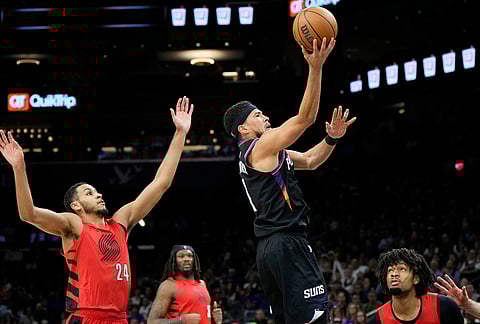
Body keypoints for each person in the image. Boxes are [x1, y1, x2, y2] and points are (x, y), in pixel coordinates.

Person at [0, 96, 194, 324]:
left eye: (97, 191)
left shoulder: (121, 222)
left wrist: (180, 133)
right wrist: (19, 167)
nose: (99, 194)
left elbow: (161, 183)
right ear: (76, 205)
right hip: (86, 316)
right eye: (89, 193)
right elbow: (28, 214)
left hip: (120, 318)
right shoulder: (74, 225)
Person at [222, 37, 356, 324]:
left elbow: (309, 160)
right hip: (287, 243)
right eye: (258, 115)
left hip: (270, 248)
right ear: (243, 128)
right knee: (315, 319)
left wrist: (332, 137)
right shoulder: (261, 147)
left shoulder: (262, 153)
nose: (266, 117)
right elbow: (305, 118)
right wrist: (316, 67)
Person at [368, 248, 464, 324]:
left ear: (416, 279)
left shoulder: (444, 306)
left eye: (402, 269)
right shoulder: (378, 320)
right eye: (390, 270)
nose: (394, 274)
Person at [147, 245, 223, 324]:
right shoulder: (168, 286)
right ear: (174, 261)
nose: (186, 259)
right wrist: (182, 320)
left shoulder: (202, 284)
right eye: (181, 256)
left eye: (190, 256)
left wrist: (216, 320)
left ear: (194, 260)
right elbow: (151, 322)